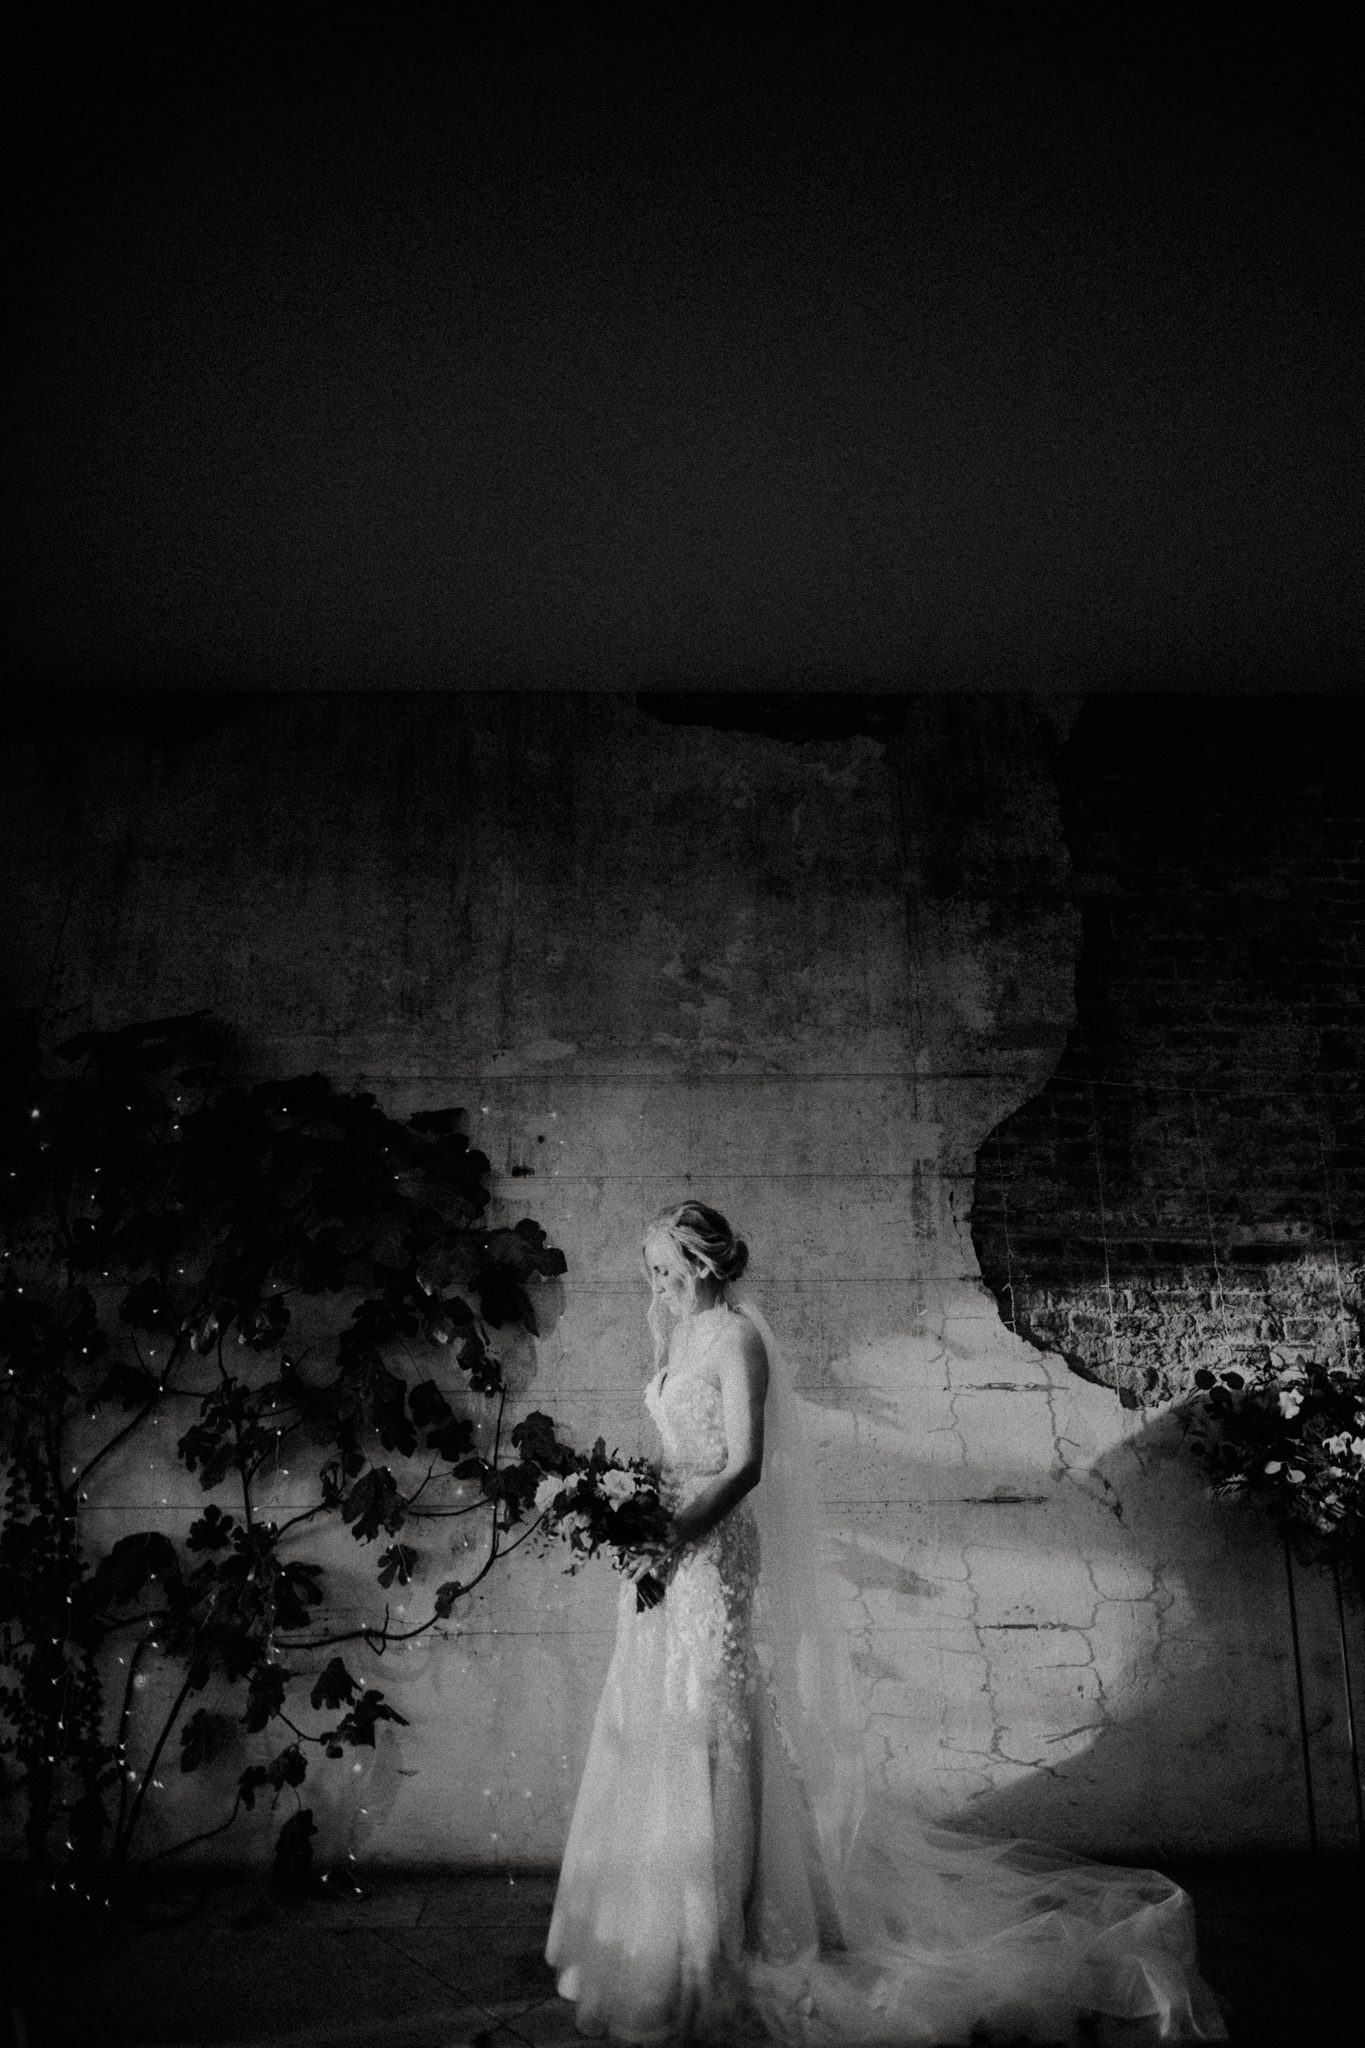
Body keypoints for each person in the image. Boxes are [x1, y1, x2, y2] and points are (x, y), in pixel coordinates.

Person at [545, 1202, 1227, 2045]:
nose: (658, 1285)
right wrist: (627, 1512)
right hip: (663, 1545)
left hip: (712, 1548)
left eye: (667, 1268)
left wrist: (676, 1538)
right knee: (659, 1709)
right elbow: (674, 1451)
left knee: (714, 1713)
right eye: (651, 1272)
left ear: (706, 1262)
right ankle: (662, 1923)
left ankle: (729, 1922)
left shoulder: (735, 1340)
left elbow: (746, 1463)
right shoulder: (674, 1338)